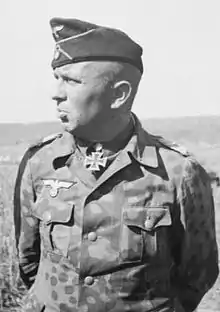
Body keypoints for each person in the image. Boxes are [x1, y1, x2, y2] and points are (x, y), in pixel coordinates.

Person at [13, 17, 219, 312]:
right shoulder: (40, 162)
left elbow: (198, 273)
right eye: (57, 78)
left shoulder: (176, 172)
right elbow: (29, 259)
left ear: (119, 94)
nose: (56, 93)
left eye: (71, 80)